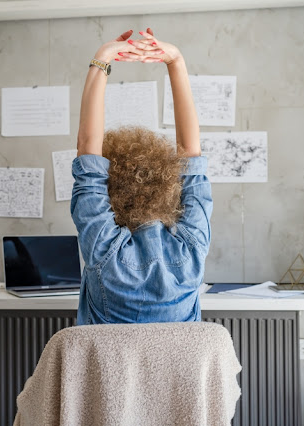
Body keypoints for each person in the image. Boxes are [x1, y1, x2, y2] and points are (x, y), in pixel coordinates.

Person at [71, 28, 212, 325]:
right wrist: (175, 61)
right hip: (177, 374)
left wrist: (102, 58)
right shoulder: (192, 248)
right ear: (170, 184)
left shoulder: (103, 249)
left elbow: (87, 149)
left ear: (109, 190)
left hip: (109, 374)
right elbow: (190, 151)